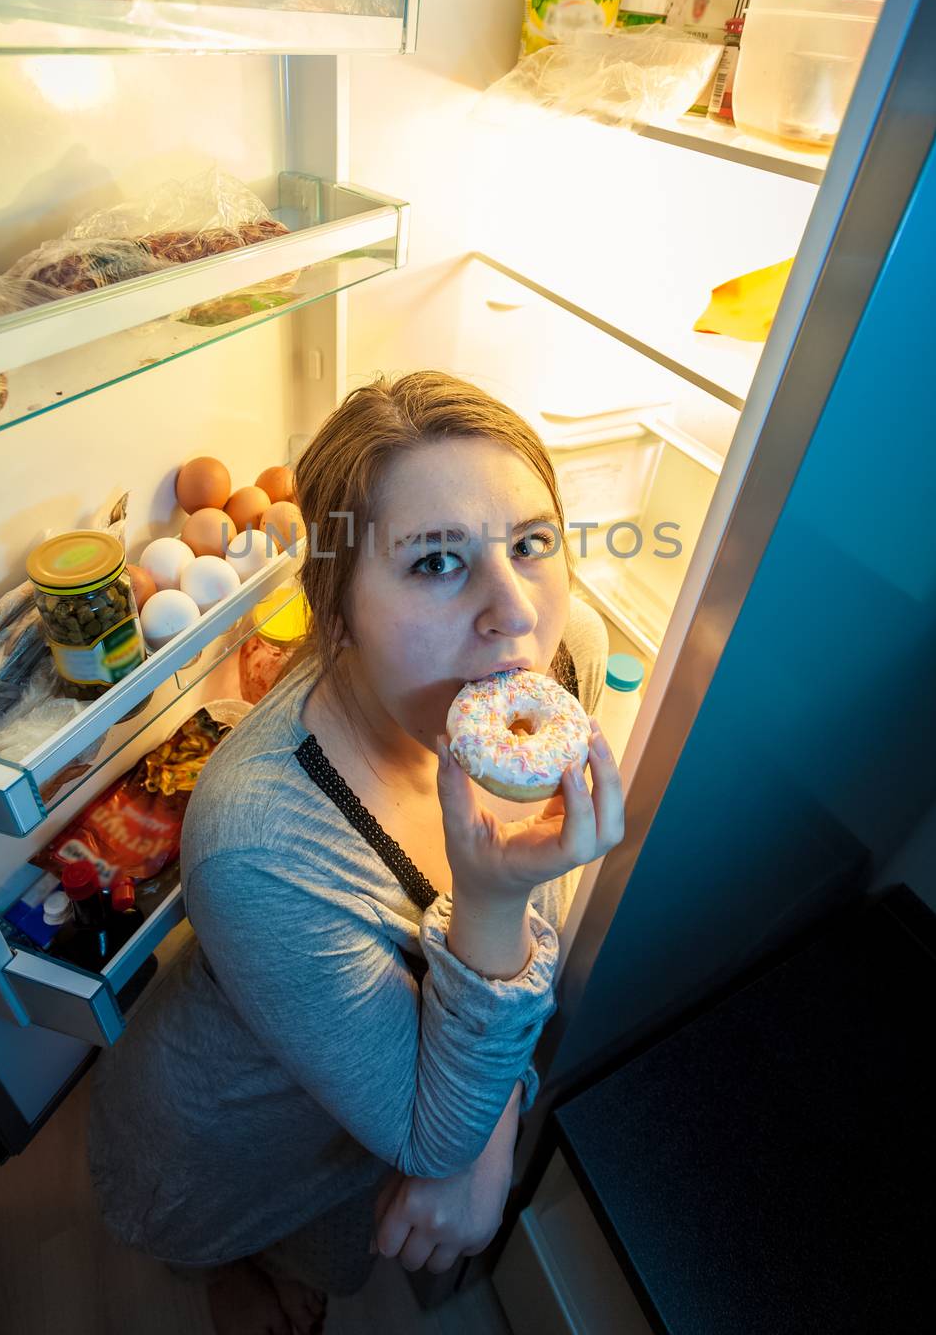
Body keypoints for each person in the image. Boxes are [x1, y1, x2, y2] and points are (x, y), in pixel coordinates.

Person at [88, 371, 625, 1335]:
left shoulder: (556, 656)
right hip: (232, 1124)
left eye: (531, 543)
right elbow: (433, 1132)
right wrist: (494, 914)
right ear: (335, 614)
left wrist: (482, 1139)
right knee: (237, 1232)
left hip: (370, 1111)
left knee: (340, 1244)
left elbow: (437, 1123)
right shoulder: (254, 841)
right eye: (433, 562)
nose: (516, 615)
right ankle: (227, 1267)